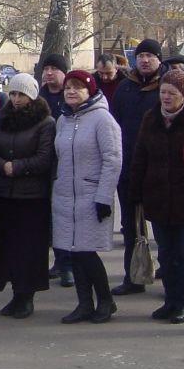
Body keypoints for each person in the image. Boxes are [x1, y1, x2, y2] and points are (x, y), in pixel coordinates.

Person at [129, 69, 184, 325]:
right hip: (158, 197)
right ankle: (170, 300)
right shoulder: (151, 117)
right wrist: (135, 193)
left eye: (172, 93)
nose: (166, 97)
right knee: (166, 254)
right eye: (163, 92)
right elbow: (140, 156)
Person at [52, 70, 122, 324]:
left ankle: (105, 301)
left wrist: (103, 196)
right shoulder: (63, 120)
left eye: (78, 87)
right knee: (73, 251)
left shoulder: (102, 119)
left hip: (91, 196)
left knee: (87, 253)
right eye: (68, 87)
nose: (71, 91)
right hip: (66, 196)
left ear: (89, 91)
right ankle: (84, 304)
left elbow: (113, 159)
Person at [0, 73, 55, 319]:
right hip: (3, 193)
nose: (16, 99)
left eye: (21, 95)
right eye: (13, 94)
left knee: (29, 249)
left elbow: (44, 158)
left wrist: (17, 167)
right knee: (8, 247)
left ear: (32, 96)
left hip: (32, 196)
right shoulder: (2, 119)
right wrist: (2, 165)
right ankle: (15, 293)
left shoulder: (45, 123)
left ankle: (27, 296)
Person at [111, 38, 165, 296]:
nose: (144, 60)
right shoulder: (125, 87)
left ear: (159, 59)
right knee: (130, 227)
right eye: (141, 55)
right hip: (129, 168)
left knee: (164, 228)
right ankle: (133, 277)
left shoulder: (167, 86)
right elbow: (114, 124)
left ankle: (171, 280)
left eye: (150, 56)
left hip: (160, 170)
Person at [38, 53, 72, 287]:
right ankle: (55, 262)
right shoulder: (39, 97)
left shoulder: (69, 97)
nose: (49, 73)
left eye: (54, 69)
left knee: (63, 217)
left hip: (65, 163)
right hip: (41, 163)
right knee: (46, 217)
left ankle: (67, 265)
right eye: (46, 69)